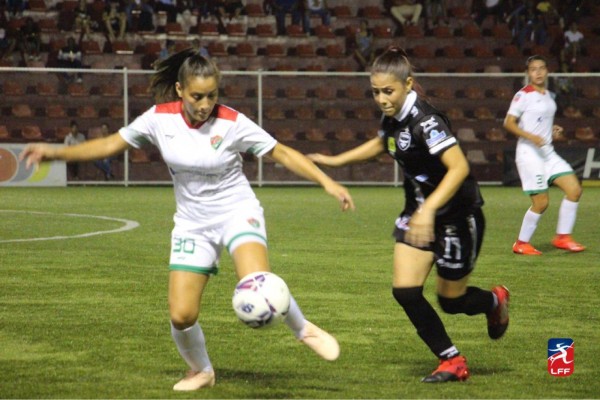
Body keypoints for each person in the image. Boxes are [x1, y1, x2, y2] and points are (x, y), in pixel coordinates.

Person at [20, 49, 355, 391]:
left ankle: (303, 329)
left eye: (212, 95)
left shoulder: (232, 122)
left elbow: (281, 152)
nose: (205, 104)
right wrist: (55, 152)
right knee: (181, 315)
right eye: (197, 96)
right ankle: (202, 371)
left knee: (257, 280)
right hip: (192, 223)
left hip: (237, 211)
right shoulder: (158, 119)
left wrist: (327, 182)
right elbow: (110, 144)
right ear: (180, 90)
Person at [307, 46, 510, 383]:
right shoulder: (393, 116)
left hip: (457, 217)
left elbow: (459, 168)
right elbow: (382, 143)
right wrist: (335, 161)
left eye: (388, 91)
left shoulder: (427, 122)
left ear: (408, 84)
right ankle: (452, 360)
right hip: (418, 214)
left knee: (451, 301)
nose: (381, 99)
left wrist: (429, 210)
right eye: (376, 92)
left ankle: (493, 301)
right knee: (405, 291)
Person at [503, 55, 585, 255]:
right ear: (528, 73)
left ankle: (562, 237)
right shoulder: (523, 95)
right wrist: (531, 136)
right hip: (529, 153)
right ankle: (521, 243)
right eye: (533, 69)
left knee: (574, 190)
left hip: (547, 152)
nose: (538, 72)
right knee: (541, 203)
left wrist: (551, 130)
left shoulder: (549, 95)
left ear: (547, 71)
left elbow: (539, 121)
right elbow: (509, 123)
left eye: (541, 68)